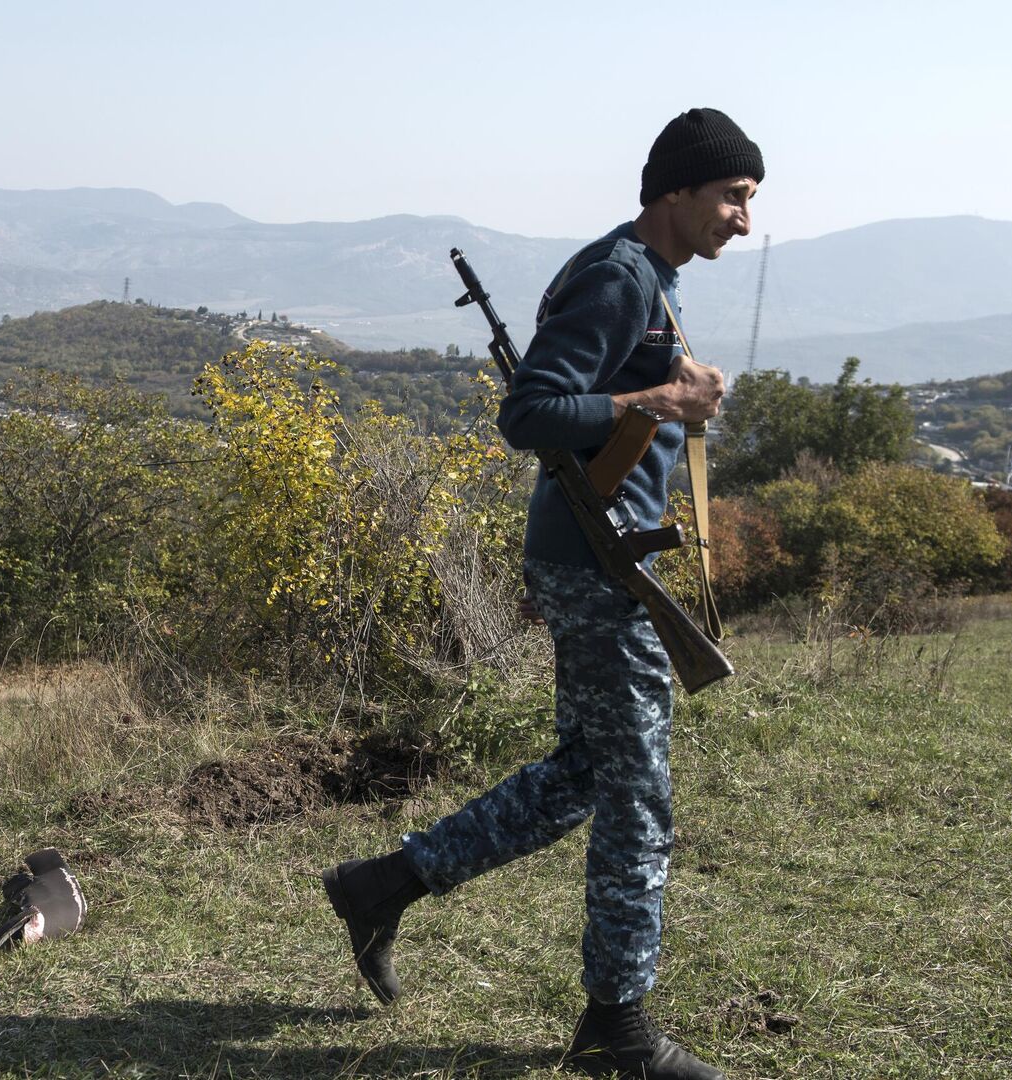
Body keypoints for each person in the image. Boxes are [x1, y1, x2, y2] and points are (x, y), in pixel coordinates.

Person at [320, 108, 760, 1080]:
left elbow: (603, 401)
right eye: (733, 195)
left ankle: (381, 884)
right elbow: (530, 414)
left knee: (586, 775)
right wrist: (665, 403)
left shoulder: (653, 282)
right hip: (596, 567)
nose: (742, 216)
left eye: (748, 201)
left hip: (606, 559)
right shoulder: (618, 277)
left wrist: (672, 387)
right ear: (678, 191)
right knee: (636, 796)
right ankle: (619, 1036)